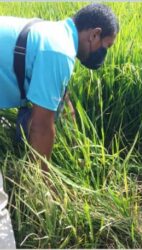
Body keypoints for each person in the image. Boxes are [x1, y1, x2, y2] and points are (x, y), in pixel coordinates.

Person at [0, 3, 119, 248]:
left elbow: (61, 103)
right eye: (105, 47)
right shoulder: (59, 51)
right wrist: (42, 186)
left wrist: (78, 147)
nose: (102, 55)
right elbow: (42, 126)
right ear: (94, 34)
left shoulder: (56, 34)